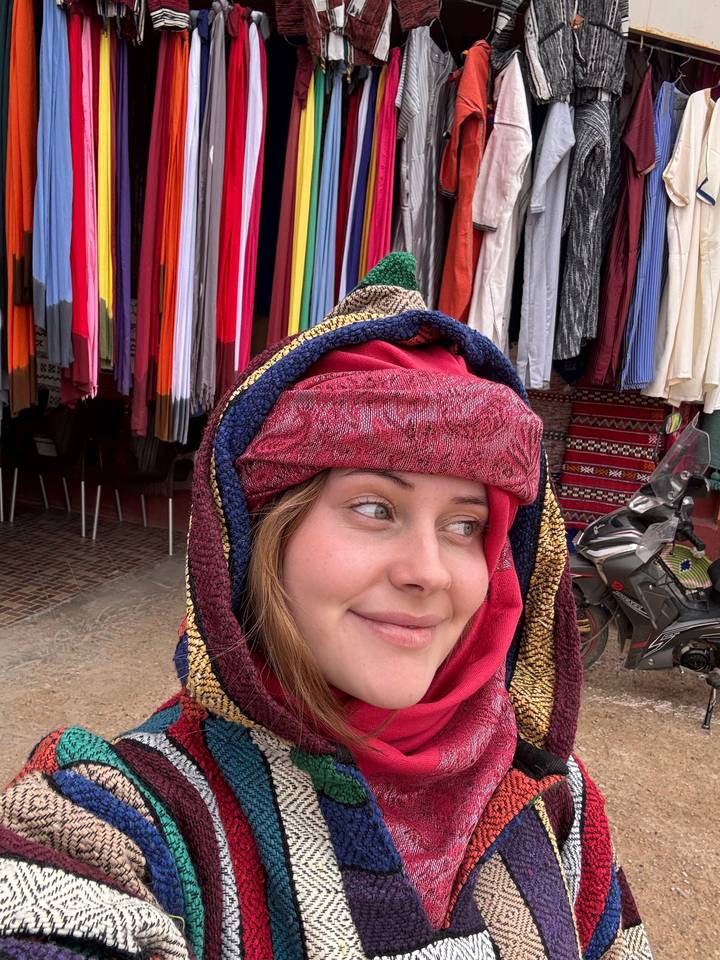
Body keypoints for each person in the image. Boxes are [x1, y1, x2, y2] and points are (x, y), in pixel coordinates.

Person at [0, 254, 651, 959]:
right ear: (260, 537)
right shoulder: (135, 817)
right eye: (375, 508)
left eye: (465, 525)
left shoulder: (554, 802)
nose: (429, 573)